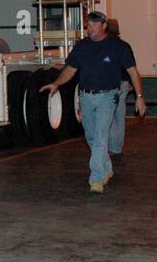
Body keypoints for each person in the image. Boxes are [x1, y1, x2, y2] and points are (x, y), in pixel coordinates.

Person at [41, 11, 146, 194]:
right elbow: (70, 69)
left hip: (107, 97)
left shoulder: (118, 47)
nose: (89, 27)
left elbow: (133, 72)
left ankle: (96, 178)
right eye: (88, 24)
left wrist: (139, 97)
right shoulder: (82, 46)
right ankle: (106, 168)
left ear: (103, 25)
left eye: (93, 24)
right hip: (86, 97)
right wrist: (57, 83)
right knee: (91, 137)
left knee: (100, 137)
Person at [106, 18, 136, 157]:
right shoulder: (125, 45)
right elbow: (132, 67)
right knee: (120, 114)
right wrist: (131, 83)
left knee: (109, 115)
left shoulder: (104, 45)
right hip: (123, 82)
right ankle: (118, 146)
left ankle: (112, 146)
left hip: (110, 83)